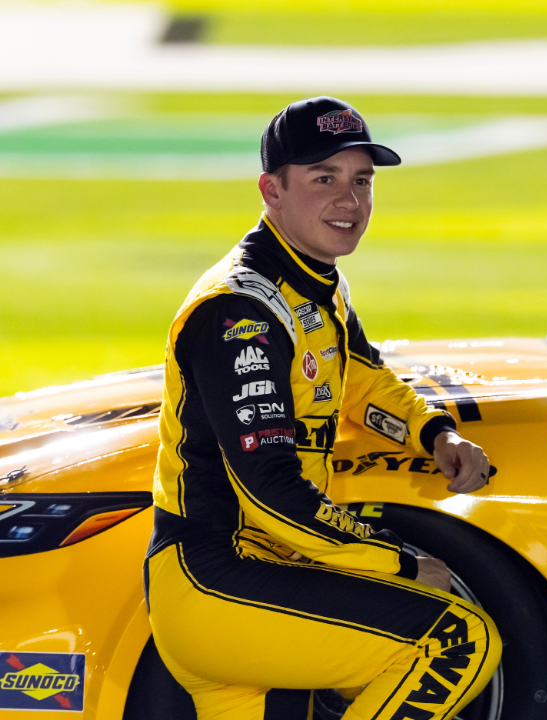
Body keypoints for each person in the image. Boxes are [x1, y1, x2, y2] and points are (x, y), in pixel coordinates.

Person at [145, 97, 500, 719]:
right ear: (271, 190)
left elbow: (362, 379)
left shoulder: (314, 283)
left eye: (361, 181)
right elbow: (269, 492)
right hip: (219, 579)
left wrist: (433, 434)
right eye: (323, 179)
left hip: (260, 576)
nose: (350, 202)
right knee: (456, 638)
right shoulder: (240, 312)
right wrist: (397, 561)